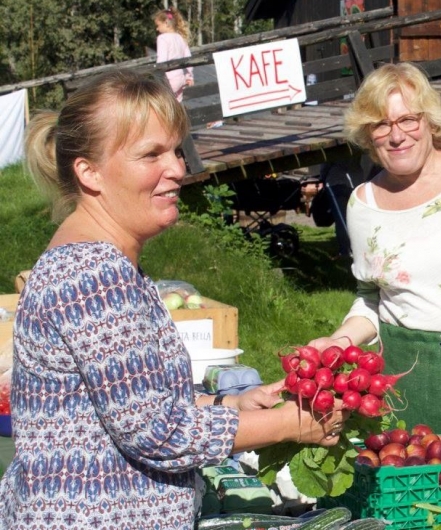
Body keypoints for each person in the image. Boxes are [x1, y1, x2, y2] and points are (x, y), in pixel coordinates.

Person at [0, 70, 347, 529]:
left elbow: (130, 404)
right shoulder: (95, 276)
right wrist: (290, 424)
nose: (178, 169)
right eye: (151, 155)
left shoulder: (98, 262)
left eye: (177, 150)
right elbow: (157, 432)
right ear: (89, 172)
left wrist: (229, 406)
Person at [307, 62, 441, 434]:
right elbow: (371, 296)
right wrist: (337, 341)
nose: (397, 136)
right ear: (368, 134)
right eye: (381, 124)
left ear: (431, 122)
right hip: (403, 387)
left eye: (408, 119)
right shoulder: (363, 204)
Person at [154, 7, 194, 102]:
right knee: (177, 103)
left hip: (169, 78)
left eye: (158, 25)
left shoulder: (162, 38)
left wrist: (157, 75)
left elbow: (162, 61)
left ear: (166, 23)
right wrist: (189, 76)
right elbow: (188, 58)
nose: (157, 28)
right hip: (181, 78)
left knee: (165, 104)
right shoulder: (180, 37)